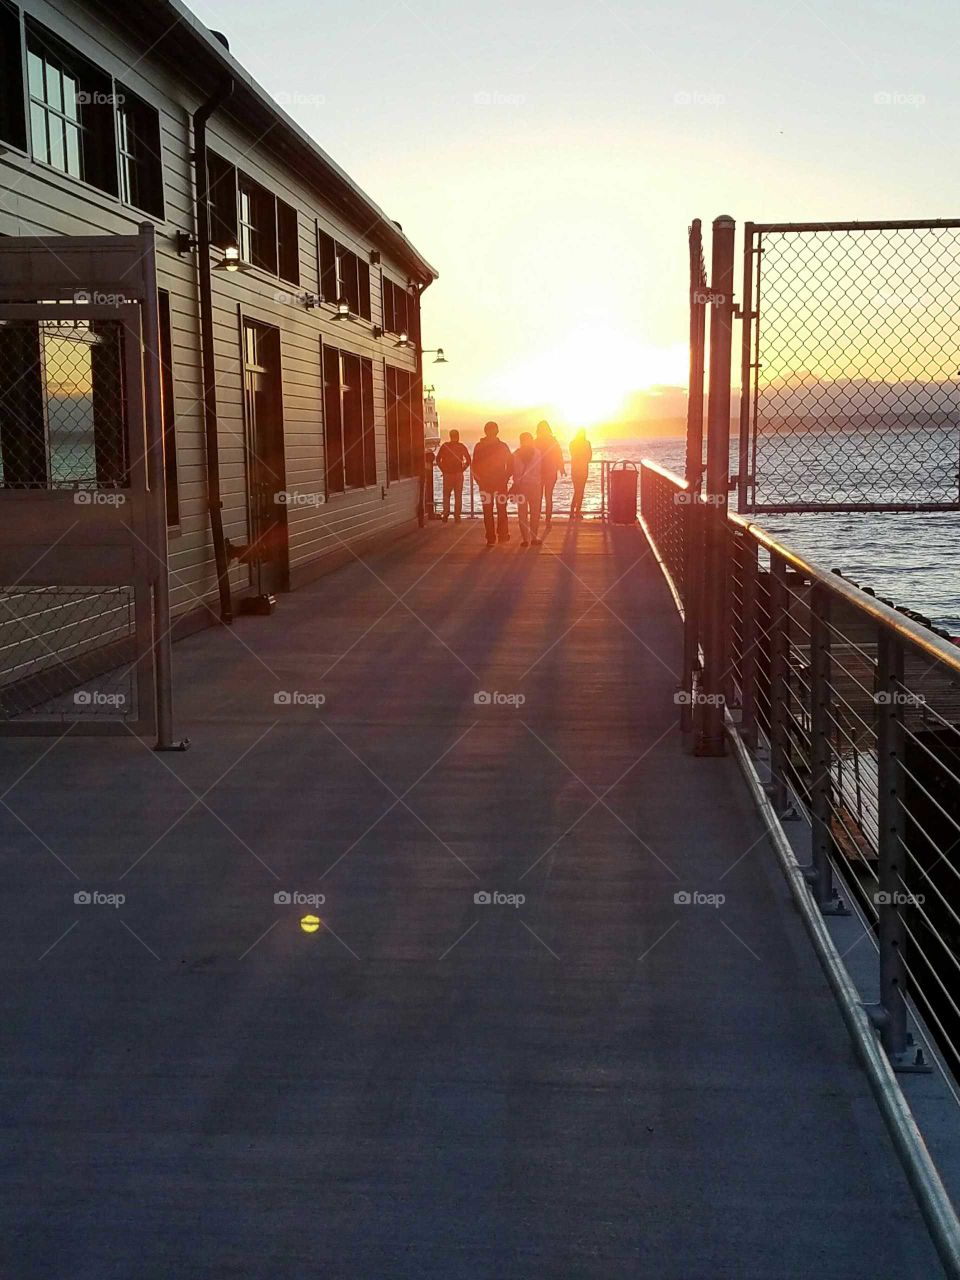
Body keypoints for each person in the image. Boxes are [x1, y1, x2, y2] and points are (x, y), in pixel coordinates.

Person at [472, 421, 513, 546]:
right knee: (500, 509)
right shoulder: (502, 446)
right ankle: (501, 534)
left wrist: (479, 480)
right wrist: (506, 477)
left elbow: (474, 466)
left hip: (488, 482)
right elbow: (511, 463)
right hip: (498, 482)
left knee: (488, 510)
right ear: (497, 431)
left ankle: (492, 537)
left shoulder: (479, 446)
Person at [510, 431, 543, 548]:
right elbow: (540, 469)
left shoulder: (515, 455)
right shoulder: (538, 453)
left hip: (521, 486)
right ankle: (534, 537)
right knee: (535, 513)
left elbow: (512, 470)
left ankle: (525, 539)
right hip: (535, 485)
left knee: (522, 513)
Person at [435, 429, 471, 523]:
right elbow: (469, 460)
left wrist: (443, 469)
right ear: (458, 436)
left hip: (447, 474)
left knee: (446, 495)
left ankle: (446, 514)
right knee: (458, 496)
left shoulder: (445, 446)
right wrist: (462, 469)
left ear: (450, 436)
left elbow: (438, 459)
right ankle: (457, 516)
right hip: (458, 474)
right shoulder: (461, 446)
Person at [535, 420, 564, 527]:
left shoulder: (536, 442)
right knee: (548, 496)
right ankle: (548, 520)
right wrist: (561, 468)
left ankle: (537, 517)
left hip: (538, 473)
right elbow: (559, 455)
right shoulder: (553, 441)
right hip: (551, 472)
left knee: (538, 497)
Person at [569, 428, 593, 519]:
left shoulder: (572, 443)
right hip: (583, 469)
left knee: (576, 490)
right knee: (581, 491)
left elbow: (573, 455)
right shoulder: (587, 443)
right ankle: (577, 511)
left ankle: (572, 511)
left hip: (574, 469)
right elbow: (589, 457)